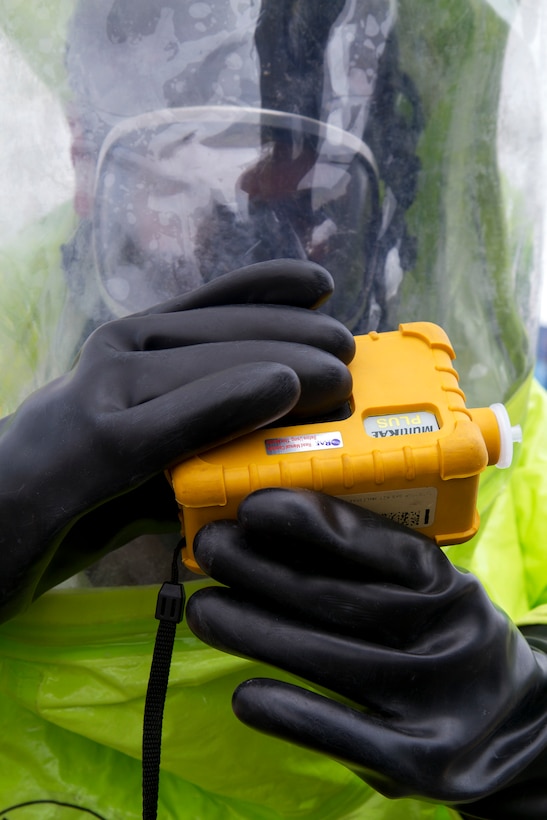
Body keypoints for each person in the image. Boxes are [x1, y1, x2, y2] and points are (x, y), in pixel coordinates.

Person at [0, 2, 547, 818]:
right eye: (182, 170)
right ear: (87, 166)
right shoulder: (17, 356)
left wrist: (528, 749)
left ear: (395, 179)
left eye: (305, 170)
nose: (244, 214)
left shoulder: (518, 452)